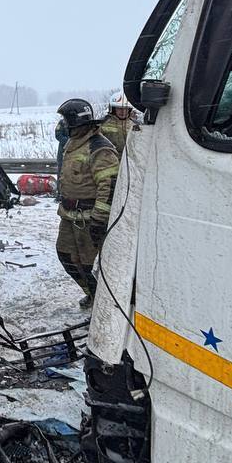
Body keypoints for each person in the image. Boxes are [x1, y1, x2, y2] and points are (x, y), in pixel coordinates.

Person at [54, 98, 120, 307]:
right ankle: (93, 293)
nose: (63, 124)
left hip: (89, 219)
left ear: (75, 122)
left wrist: (99, 221)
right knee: (66, 255)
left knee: (86, 262)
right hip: (69, 216)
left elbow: (108, 187)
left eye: (65, 120)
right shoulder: (74, 144)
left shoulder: (99, 148)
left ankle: (104, 303)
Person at [100, 91, 137, 155]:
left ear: (129, 110)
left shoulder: (136, 125)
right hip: (110, 160)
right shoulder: (102, 124)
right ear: (113, 109)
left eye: (126, 109)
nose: (123, 112)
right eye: (119, 108)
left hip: (130, 160)